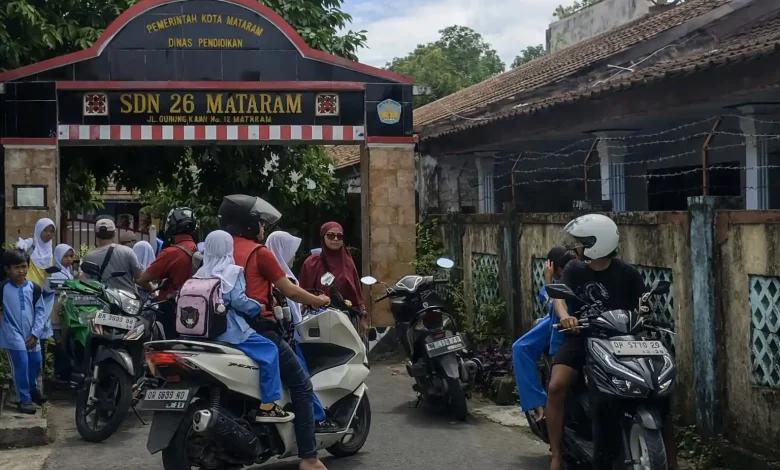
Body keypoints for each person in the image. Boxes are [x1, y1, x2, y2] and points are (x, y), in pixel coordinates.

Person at [546, 214, 678, 470]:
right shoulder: (575, 269)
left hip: (622, 340)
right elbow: (559, 297)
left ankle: (672, 462)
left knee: (657, 393)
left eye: (582, 242)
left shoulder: (627, 273)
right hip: (583, 336)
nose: (577, 247)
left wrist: (643, 311)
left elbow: (643, 305)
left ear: (597, 243)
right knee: (556, 386)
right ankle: (557, 455)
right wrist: (566, 318)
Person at [218, 194, 331, 470]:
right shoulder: (260, 253)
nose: (262, 229)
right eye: (259, 223)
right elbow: (289, 290)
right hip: (258, 330)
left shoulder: (218, 250)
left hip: (221, 329)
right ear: (248, 225)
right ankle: (309, 457)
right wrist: (318, 300)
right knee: (302, 385)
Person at [194, 230, 291, 422]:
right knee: (270, 350)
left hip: (201, 333)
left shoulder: (199, 273)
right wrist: (258, 307)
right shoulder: (232, 271)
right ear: (228, 247)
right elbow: (238, 300)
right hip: (229, 331)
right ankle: (268, 405)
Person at [266, 230, 337, 432]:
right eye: (291, 250)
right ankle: (317, 419)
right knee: (302, 380)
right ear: (281, 249)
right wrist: (315, 302)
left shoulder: (267, 274)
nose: (294, 256)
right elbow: (294, 307)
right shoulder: (283, 278)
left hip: (274, 334)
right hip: (287, 336)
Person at [512, 246, 575, 423]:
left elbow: (551, 302)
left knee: (520, 348)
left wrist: (548, 279)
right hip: (556, 322)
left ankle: (538, 404)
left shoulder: (564, 281)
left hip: (560, 325)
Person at [138, 208, 199, 338]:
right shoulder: (199, 249)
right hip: (196, 309)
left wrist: (154, 289)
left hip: (171, 309)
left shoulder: (170, 253)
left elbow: (143, 279)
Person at [298, 222, 368, 336]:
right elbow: (302, 291)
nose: (335, 239)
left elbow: (357, 292)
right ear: (323, 237)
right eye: (330, 235)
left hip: (348, 318)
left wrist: (363, 314)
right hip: (319, 318)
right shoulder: (312, 262)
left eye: (339, 236)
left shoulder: (348, 262)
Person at [0, 249, 47, 414]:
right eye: (16, 267)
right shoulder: (3, 288)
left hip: (31, 333)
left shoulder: (34, 288)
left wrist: (35, 333)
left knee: (35, 362)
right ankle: (23, 399)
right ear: (7, 269)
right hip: (12, 333)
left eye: (24, 266)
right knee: (21, 362)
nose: (21, 270)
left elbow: (41, 312)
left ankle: (32, 389)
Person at [82, 218, 151, 295]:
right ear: (114, 233)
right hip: (128, 302)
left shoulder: (88, 256)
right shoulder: (127, 251)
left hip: (102, 301)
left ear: (96, 234)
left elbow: (86, 281)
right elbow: (139, 279)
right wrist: (153, 290)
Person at [49, 244, 76, 382]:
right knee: (59, 342)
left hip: (64, 312)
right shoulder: (56, 274)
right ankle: (60, 372)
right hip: (56, 312)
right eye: (66, 256)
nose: (69, 259)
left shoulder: (67, 271)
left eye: (71, 256)